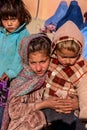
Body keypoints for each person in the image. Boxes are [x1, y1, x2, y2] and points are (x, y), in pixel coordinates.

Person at [1, 33, 52, 130]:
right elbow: (14, 111)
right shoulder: (20, 81)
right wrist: (44, 104)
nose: (38, 68)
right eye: (33, 63)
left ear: (50, 57)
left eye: (43, 61)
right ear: (25, 60)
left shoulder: (54, 75)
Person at [43, 20, 87, 130]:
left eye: (72, 57)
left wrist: (85, 113)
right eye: (63, 56)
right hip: (47, 103)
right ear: (55, 50)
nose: (68, 61)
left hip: (66, 109)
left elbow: (84, 92)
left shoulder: (81, 69)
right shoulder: (51, 59)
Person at [0, 0, 31, 128]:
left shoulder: (23, 34)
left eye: (13, 18)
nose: (9, 23)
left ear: (21, 16)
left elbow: (20, 57)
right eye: (5, 19)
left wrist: (10, 72)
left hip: (9, 78)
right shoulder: (1, 32)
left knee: (3, 106)